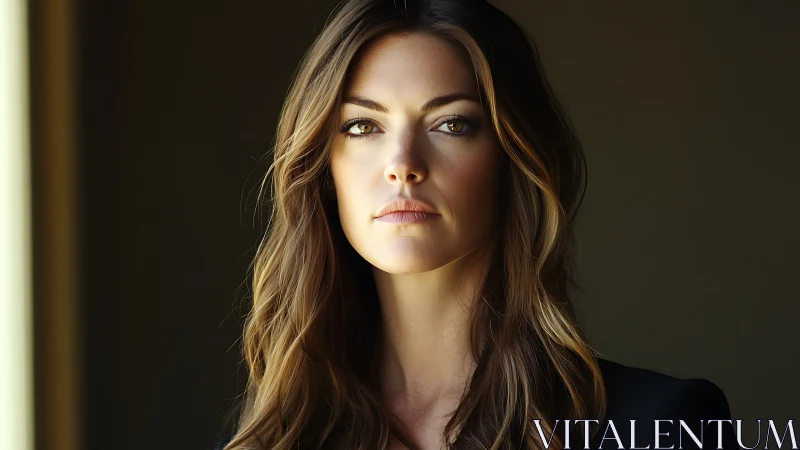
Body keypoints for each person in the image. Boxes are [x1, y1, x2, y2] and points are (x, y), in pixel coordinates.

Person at [216, 0, 736, 449]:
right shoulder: (270, 439)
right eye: (362, 126)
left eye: (452, 124)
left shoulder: (662, 426)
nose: (402, 162)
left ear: (514, 158)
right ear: (324, 169)